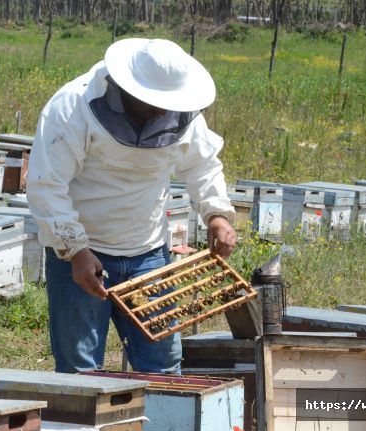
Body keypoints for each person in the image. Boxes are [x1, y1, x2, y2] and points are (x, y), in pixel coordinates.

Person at [26, 38, 237, 374]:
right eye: (153, 103)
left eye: (168, 104)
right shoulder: (73, 106)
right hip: (81, 258)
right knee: (81, 373)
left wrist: (216, 214)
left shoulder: (181, 112)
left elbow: (203, 164)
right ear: (126, 86)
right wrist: (75, 250)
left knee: (162, 367)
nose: (162, 111)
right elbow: (46, 184)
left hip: (149, 254)